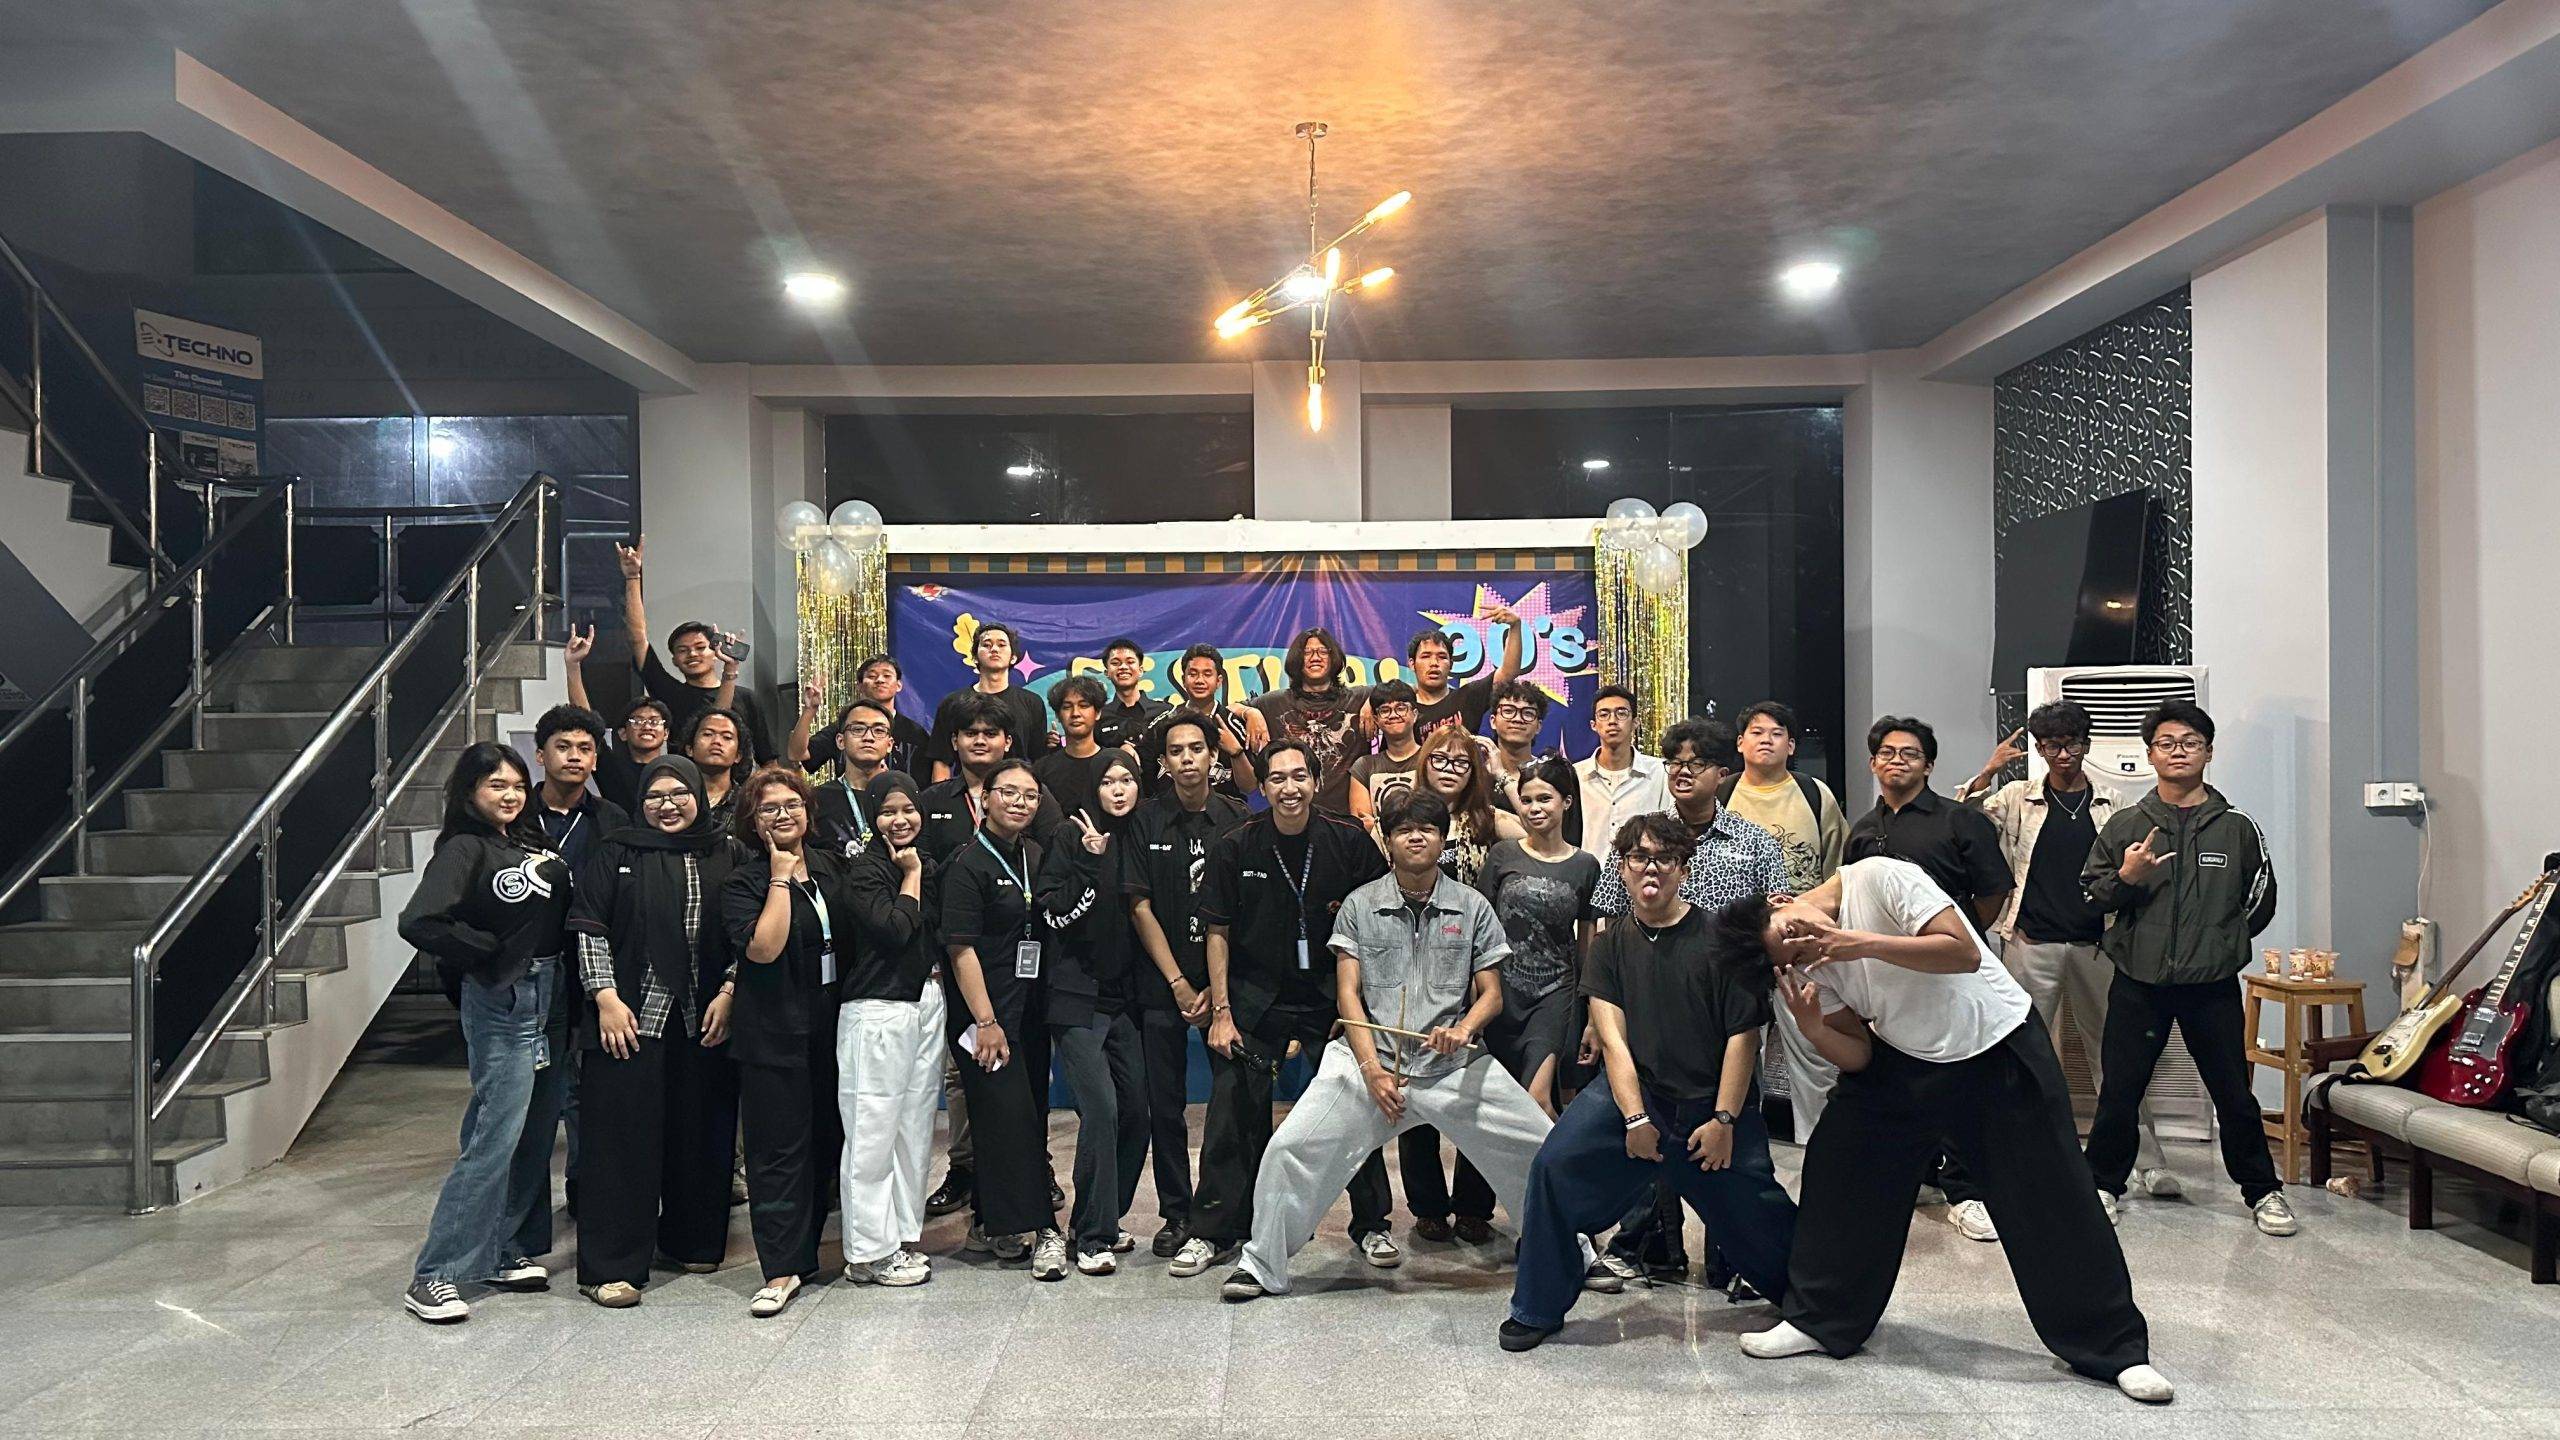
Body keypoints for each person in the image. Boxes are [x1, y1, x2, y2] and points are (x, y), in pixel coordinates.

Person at [1728, 857, 2173, 1406]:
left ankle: (2115, 1349)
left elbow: (1961, 952)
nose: (1804, 951)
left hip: (1997, 1044)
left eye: (1793, 935)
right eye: (1792, 957)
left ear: (1781, 901)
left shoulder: (1879, 878)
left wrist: (1857, 944)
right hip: (1902, 1057)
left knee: (2052, 1195)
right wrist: (1815, 1027)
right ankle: (1819, 1319)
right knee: (1841, 1167)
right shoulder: (1803, 969)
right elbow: (1859, 1055)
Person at [1220, 788, 1559, 1303]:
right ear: (1388, 838)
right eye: (1404, 829)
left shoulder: (1472, 906)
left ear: (1442, 839)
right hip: (1367, 1064)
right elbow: (1348, 996)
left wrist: (1464, 1029)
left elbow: (1491, 995)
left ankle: (1567, 1250)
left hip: (1451, 1065)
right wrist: (1371, 1070)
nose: (1416, 837)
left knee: (1539, 1142)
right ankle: (1262, 1265)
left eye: (1427, 829)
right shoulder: (1359, 904)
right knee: (1290, 1149)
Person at [1501, 813, 1798, 1350]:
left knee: (1764, 1220)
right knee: (1553, 1169)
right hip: (1639, 1098)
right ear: (1623, 868)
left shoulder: (1721, 938)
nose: (1651, 868)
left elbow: (1743, 1037)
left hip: (1712, 1109)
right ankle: (1537, 1307)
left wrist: (1724, 1120)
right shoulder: (1612, 943)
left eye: (1664, 858)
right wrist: (1635, 1118)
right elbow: (1613, 1040)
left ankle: (1816, 1305)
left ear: (1684, 868)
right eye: (1639, 857)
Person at [1174, 740, 1400, 1279]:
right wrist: (1222, 1011)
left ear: (1316, 782)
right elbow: (1217, 930)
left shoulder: (1348, 840)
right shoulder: (1236, 844)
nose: (1289, 788)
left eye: (1300, 776)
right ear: (1263, 786)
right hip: (1256, 996)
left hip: (1331, 996)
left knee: (1355, 1102)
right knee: (1231, 1109)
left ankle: (1372, 1224)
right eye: (1277, 778)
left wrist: (1367, 1007)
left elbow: (1379, 923)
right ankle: (1214, 1230)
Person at [1587, 716, 1788, 1284]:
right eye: (1674, 762)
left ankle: (1737, 1258)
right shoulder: (1643, 837)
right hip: (1648, 1000)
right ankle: (1654, 1248)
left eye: (1695, 763)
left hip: (1728, 1009)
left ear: (1722, 773)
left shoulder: (1754, 843)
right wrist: (1596, 1015)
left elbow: (1778, 919)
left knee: (1730, 1132)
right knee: (1652, 1126)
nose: (1682, 772)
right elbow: (1608, 915)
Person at [1953, 704, 2179, 1204]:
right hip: (2031, 943)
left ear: (2086, 744)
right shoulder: (2017, 797)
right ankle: (2025, 1156)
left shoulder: (2113, 803)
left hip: (2098, 945)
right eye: (2051, 745)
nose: (2062, 754)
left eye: (2072, 743)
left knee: (2115, 1059)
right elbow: (1960, 823)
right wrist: (1987, 772)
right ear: (2039, 749)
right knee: (2023, 1054)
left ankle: (2147, 1162)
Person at [2082, 700, 2292, 1236]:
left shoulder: (2237, 827)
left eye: (2190, 742)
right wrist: (2127, 878)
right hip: (2139, 982)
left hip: (2211, 987)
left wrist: (2219, 943)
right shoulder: (2127, 824)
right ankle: (2102, 1186)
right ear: (2151, 755)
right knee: (2120, 1092)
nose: (2179, 751)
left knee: (2233, 1094)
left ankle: (2263, 1191)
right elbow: (2091, 895)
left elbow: (2260, 899)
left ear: (2208, 752)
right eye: (2167, 743)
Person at [397, 743, 574, 1324]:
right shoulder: (464, 847)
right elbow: (419, 920)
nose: (511, 795)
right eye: (496, 784)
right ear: (469, 791)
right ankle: (435, 1274)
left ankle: (501, 1248)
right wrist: (485, 951)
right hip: (507, 1000)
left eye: (518, 785)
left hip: (552, 996)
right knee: (493, 1137)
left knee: (532, 1134)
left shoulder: (523, 841)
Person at [566, 756, 739, 1307]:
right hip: (631, 1018)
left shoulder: (726, 852)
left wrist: (730, 992)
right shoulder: (618, 851)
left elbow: (747, 930)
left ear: (698, 797)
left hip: (704, 1019)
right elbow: (589, 927)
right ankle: (610, 1266)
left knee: (700, 1132)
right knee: (620, 1142)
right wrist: (605, 997)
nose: (667, 805)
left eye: (679, 794)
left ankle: (691, 1239)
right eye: (655, 796)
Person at [1844, 714, 2015, 1242]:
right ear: (1873, 763)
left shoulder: (1960, 821)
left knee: (1958, 1083)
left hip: (1950, 974)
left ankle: (1965, 1191)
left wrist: (1953, 942)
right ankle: (1912, 1176)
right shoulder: (1863, 831)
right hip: (1887, 979)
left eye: (1910, 753)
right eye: (1887, 753)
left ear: (1929, 765)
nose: (1897, 761)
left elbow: (1993, 893)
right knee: (1900, 1081)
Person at [1119, 712, 1251, 1257]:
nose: (1188, 758)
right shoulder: (1145, 820)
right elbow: (1138, 905)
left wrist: (1217, 992)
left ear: (1212, 756)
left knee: (1232, 1105)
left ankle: (1229, 1210)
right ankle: (1176, 1213)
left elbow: (1245, 910)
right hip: (1160, 986)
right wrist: (1176, 981)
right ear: (1164, 762)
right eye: (1177, 751)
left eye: (1197, 748)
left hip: (1226, 988)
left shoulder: (1237, 818)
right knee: (1165, 1106)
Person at [720, 765, 848, 1317]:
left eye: (792, 804)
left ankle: (808, 1252)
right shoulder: (744, 882)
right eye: (769, 808)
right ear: (753, 821)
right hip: (772, 1031)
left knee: (824, 1141)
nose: (782, 815)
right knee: (778, 1152)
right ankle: (779, 1267)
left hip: (831, 1026)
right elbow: (764, 949)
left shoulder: (830, 866)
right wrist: (778, 878)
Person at [940, 758, 1071, 1278]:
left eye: (1030, 795)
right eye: (1009, 792)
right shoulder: (966, 863)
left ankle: (991, 1221)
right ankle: (1044, 1230)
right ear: (985, 798)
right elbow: (960, 950)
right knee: (1009, 1119)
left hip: (1030, 1011)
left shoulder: (1034, 856)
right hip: (986, 1019)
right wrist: (987, 1021)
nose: (1020, 802)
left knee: (1024, 1116)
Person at [1399, 723, 1531, 1241]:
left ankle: (1475, 1206)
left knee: (1474, 1091)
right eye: (1441, 759)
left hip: (1477, 964)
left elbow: (1539, 829)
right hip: (1415, 964)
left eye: (1461, 761)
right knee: (1418, 1081)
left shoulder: (1487, 819)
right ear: (1424, 764)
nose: (1450, 769)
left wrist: (1503, 779)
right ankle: (1428, 1205)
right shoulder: (1405, 814)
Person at [1036, 750, 1151, 1273]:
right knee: (1101, 1110)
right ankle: (1090, 1235)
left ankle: (1104, 1216)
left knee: (1137, 1111)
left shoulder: (1140, 834)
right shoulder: (1071, 834)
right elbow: (1054, 912)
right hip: (1075, 997)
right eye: (1108, 781)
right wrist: (1088, 863)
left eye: (1127, 780)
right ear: (1094, 787)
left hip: (1123, 998)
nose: (1118, 790)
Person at [833, 770, 944, 1289]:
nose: (900, 820)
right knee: (872, 1132)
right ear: (872, 818)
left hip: (926, 1000)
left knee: (913, 1128)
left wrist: (920, 870)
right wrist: (912, 876)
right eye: (887, 812)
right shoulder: (864, 871)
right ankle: (866, 1253)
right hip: (876, 1007)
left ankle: (900, 1237)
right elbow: (895, 929)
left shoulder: (928, 862)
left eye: (908, 810)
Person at [1476, 757, 1599, 1114]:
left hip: (1555, 993)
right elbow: (1481, 930)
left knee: (1538, 1098)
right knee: (1502, 1106)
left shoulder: (1585, 865)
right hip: (1502, 993)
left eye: (1544, 799)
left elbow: (1587, 945)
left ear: (1566, 802)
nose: (1534, 808)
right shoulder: (1502, 854)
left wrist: (1592, 1015)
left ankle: (1560, 1153)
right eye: (1527, 800)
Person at [614, 537, 778, 764]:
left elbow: (768, 758)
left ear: (715, 652)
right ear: (674, 660)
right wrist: (633, 577)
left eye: (700, 648)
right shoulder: (669, 693)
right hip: (685, 782)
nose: (692, 654)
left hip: (736, 785)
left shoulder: (747, 698)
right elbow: (638, 639)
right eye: (683, 650)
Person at [1723, 701, 1849, 896]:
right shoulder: (1720, 794)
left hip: (1805, 911)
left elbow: (1839, 869)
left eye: (1776, 734)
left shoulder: (1816, 793)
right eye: (1757, 733)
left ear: (1790, 746)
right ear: (1740, 743)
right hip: (1733, 913)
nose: (1766, 740)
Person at [921, 694, 1065, 862]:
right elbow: (920, 862)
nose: (980, 741)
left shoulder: (1033, 795)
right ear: (955, 741)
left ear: (1008, 742)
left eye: (990, 734)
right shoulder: (932, 799)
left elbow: (1057, 857)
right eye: (970, 733)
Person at [1248, 626, 1369, 813]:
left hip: (1345, 820)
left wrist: (1373, 701)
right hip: (1290, 815)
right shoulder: (1274, 702)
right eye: (1307, 653)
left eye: (1323, 651)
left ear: (1333, 657)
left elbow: (1409, 691)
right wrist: (1250, 713)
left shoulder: (1358, 698)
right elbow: (1229, 709)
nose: (1315, 657)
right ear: (1297, 659)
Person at [564, 623, 669, 812]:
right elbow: (585, 722)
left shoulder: (677, 769)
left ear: (666, 733)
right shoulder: (612, 768)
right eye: (637, 721)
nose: (647, 726)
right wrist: (573, 666)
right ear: (622, 733)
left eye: (654, 721)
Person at [1141, 643, 1266, 801]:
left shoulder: (1234, 725)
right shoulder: (1162, 725)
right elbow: (1146, 778)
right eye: (1193, 674)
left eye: (1207, 674)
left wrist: (1236, 753)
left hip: (1226, 813)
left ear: (1219, 681)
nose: (1200, 680)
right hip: (1170, 812)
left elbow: (1250, 786)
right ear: (1183, 680)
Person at [928, 621, 1051, 779]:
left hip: (1015, 789)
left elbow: (1039, 761)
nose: (994, 649)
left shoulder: (1032, 703)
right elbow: (941, 761)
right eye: (986, 645)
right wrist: (940, 794)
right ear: (975, 657)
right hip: (966, 790)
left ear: (1013, 657)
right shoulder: (952, 703)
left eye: (1001, 645)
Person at [1573, 684, 1667, 864]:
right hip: (1586, 875)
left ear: (1635, 722)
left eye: (1621, 713)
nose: (1612, 721)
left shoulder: (1660, 772)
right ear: (1593, 725)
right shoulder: (1575, 774)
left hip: (1643, 873)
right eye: (1604, 714)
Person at [802, 655, 933, 777]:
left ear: (899, 685)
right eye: (872, 676)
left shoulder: (916, 734)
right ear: (859, 686)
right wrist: (809, 711)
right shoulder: (844, 726)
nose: (880, 680)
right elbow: (800, 755)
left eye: (887, 675)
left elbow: (927, 784)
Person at [1404, 609, 1521, 742]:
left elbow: (1508, 672)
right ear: (1412, 664)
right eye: (1426, 656)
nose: (1434, 663)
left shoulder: (1468, 697)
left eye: (1442, 657)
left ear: (1451, 664)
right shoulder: (1403, 709)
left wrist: (1515, 626)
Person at [810, 698, 899, 857]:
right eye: (858, 729)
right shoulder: (815, 800)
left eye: (879, 730)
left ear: (889, 744)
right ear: (840, 741)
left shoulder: (902, 798)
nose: (868, 737)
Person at [1032, 674, 1124, 824]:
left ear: (1098, 713)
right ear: (1058, 715)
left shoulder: (1116, 764)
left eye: (1084, 705)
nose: (1075, 714)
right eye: (1067, 707)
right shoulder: (1041, 769)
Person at [1346, 677, 1425, 823]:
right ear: (1376, 719)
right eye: (1385, 710)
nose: (1393, 715)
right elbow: (1362, 825)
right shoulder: (1364, 767)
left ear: (1414, 714)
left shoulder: (1431, 759)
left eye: (1401, 708)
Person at [1481, 679, 1553, 809]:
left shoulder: (1551, 776)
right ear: (1493, 721)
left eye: (1528, 713)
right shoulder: (1476, 775)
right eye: (1508, 711)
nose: (1518, 719)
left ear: (1538, 726)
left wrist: (1501, 774)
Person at [1094, 636, 1172, 751]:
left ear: (1140, 670)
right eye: (1115, 663)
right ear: (1107, 673)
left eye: (1130, 662)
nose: (1123, 667)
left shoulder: (1165, 712)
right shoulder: (1098, 717)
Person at [681, 706, 750, 818]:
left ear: (738, 756)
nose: (717, 741)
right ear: (690, 749)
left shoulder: (749, 803)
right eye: (708, 734)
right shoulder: (674, 798)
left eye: (727, 737)